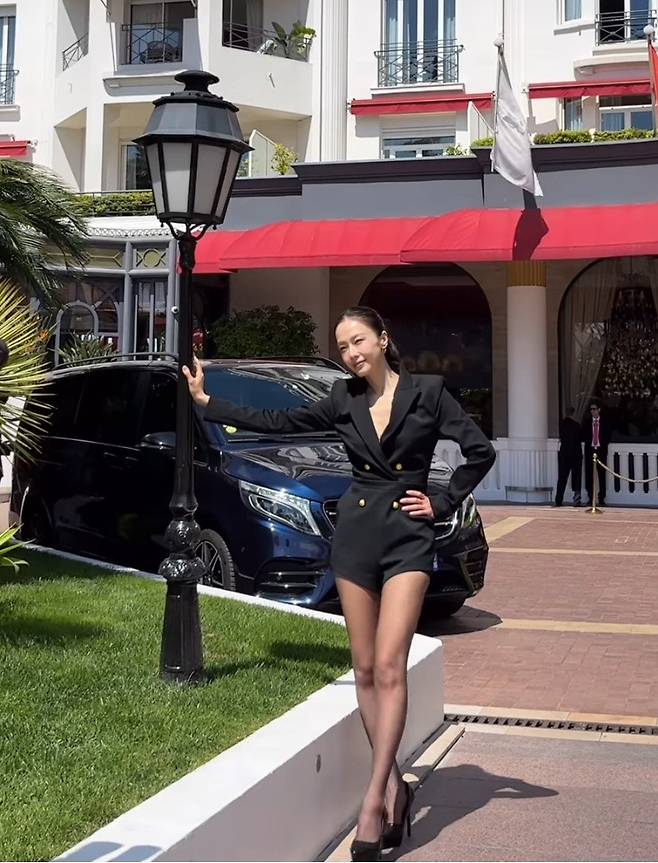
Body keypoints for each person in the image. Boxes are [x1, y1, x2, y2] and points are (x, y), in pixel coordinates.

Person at [183, 306, 496, 861]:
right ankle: (395, 785)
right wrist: (210, 403)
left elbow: (480, 452)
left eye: (358, 341)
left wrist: (441, 501)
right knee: (366, 669)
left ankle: (373, 801)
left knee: (391, 665)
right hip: (354, 539)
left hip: (408, 541)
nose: (351, 353)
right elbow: (278, 422)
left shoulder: (428, 393)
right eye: (343, 346)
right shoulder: (341, 398)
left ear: (383, 339)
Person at [582, 399, 611, 507]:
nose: (592, 411)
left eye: (594, 409)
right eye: (591, 409)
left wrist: (602, 445)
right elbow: (583, 435)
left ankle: (601, 497)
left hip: (601, 450)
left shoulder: (605, 422)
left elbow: (608, 435)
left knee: (601, 474)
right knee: (589, 474)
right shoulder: (587, 422)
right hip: (590, 450)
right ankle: (590, 498)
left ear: (599, 410)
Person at [554, 406, 582, 507]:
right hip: (575, 454)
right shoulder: (576, 425)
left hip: (564, 453)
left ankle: (558, 499)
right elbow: (580, 438)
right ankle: (577, 499)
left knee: (562, 477)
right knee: (576, 477)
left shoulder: (562, 424)